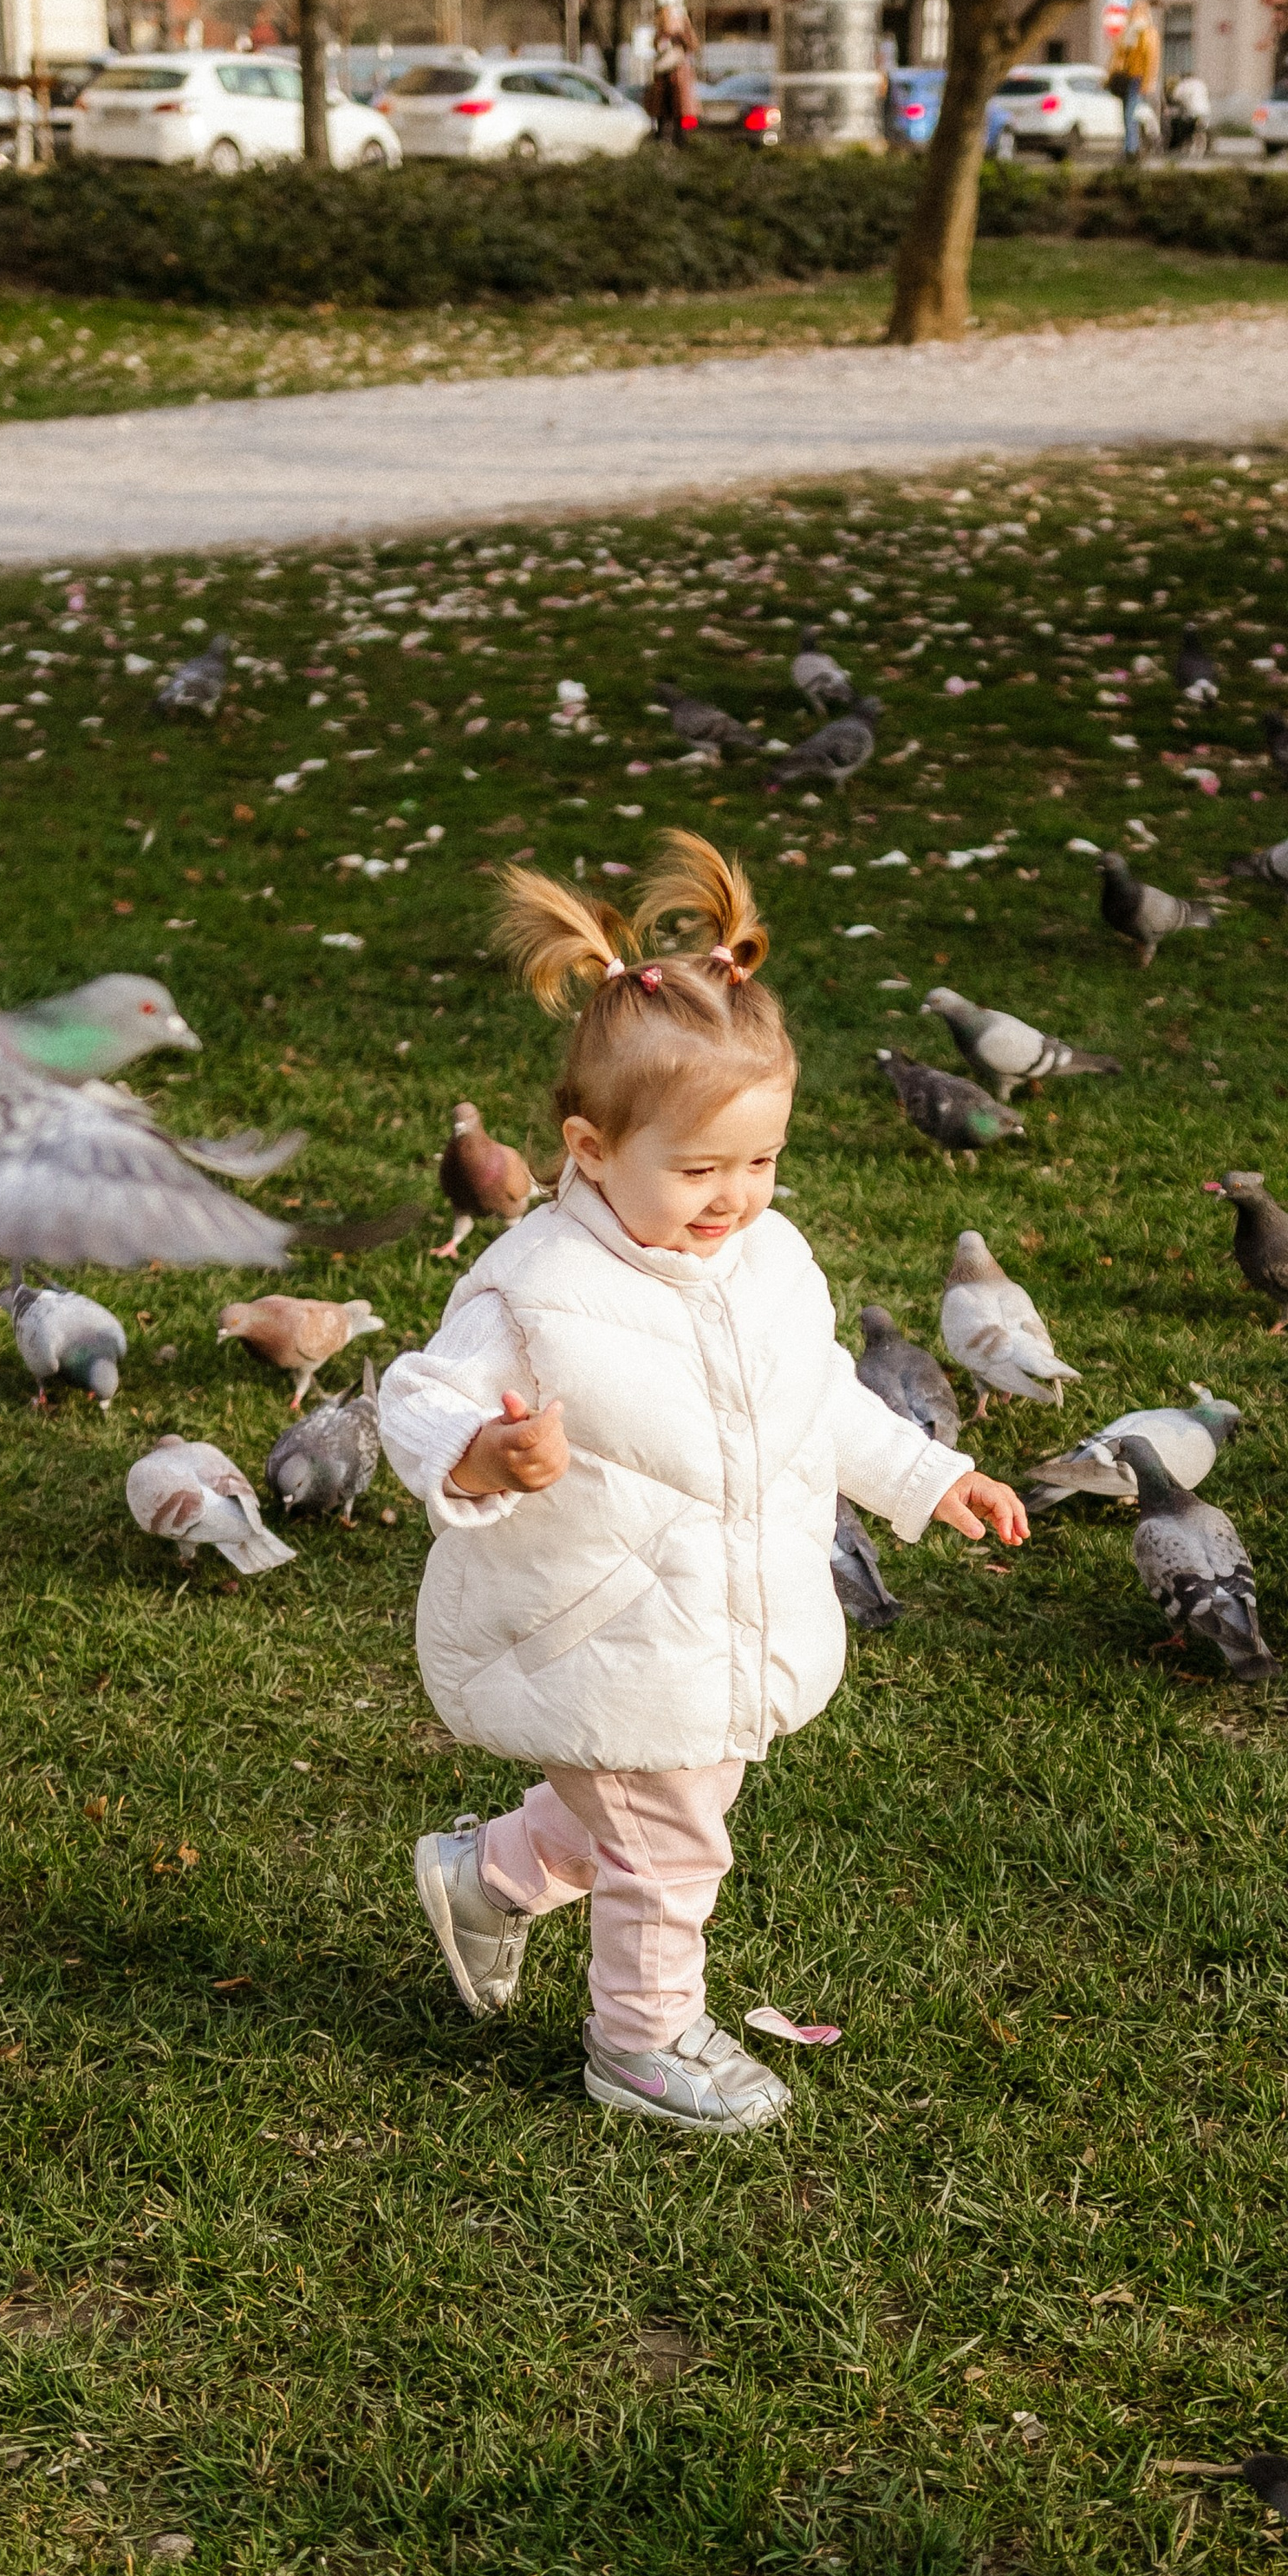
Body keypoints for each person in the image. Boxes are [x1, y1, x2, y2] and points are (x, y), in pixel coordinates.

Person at [376, 832, 1030, 2134]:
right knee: (669, 1842)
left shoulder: (767, 1258)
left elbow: (812, 1396)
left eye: (761, 1162)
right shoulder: (535, 1284)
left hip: (720, 1610)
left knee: (651, 1809)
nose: (737, 1196)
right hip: (605, 1627)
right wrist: (486, 1453)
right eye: (700, 1169)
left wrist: (926, 1472)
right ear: (591, 1146)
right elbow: (421, 1394)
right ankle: (641, 2042)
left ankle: (490, 1875)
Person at [1108, 5, 1161, 159]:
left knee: (1131, 115)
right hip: (1127, 78)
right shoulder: (1129, 32)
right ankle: (1130, 148)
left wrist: (1147, 81)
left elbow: (1150, 58)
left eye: (1136, 12)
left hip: (1137, 79)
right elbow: (1120, 55)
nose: (1132, 15)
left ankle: (1131, 150)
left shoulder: (1147, 32)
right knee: (1126, 115)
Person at [647, 2, 697, 146]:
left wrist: (682, 29)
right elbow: (656, 48)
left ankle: (680, 142)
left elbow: (692, 45)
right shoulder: (661, 35)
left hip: (677, 81)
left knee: (678, 115)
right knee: (662, 115)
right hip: (663, 81)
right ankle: (662, 141)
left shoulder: (681, 35)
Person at [1167, 65, 1211, 159]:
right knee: (1201, 129)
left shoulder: (1184, 84)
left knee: (1187, 128)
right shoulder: (1200, 83)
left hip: (1192, 112)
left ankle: (1187, 146)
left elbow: (1175, 96)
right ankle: (1201, 148)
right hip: (1205, 110)